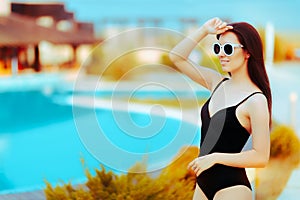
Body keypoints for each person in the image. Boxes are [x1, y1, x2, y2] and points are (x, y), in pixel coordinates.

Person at [169, 17, 272, 200]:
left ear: (247, 52)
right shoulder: (217, 82)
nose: (221, 54)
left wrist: (215, 157)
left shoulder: (256, 100)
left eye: (228, 48)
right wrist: (203, 30)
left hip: (232, 188)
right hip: (203, 185)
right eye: (218, 48)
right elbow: (176, 58)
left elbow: (261, 157)